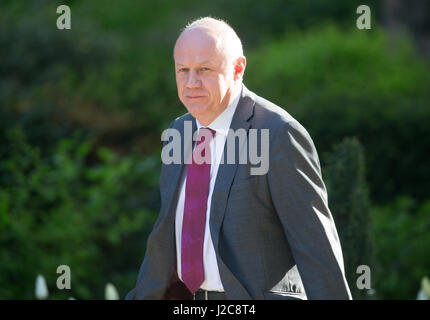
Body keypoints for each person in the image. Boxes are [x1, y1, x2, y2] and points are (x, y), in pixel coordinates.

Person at [125, 17, 352, 300]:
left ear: (238, 69)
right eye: (183, 70)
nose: (191, 82)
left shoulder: (278, 133)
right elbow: (166, 232)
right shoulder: (179, 132)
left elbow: (316, 248)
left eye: (204, 69)